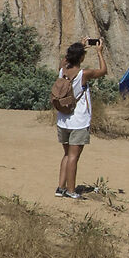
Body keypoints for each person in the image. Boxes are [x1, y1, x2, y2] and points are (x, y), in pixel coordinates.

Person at [50, 36, 107, 199]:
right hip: (78, 121)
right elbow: (103, 71)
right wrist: (99, 52)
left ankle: (60, 188)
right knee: (74, 157)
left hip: (63, 120)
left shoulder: (62, 70)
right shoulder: (83, 74)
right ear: (81, 57)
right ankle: (71, 190)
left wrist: (79, 47)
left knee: (67, 155)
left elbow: (66, 60)